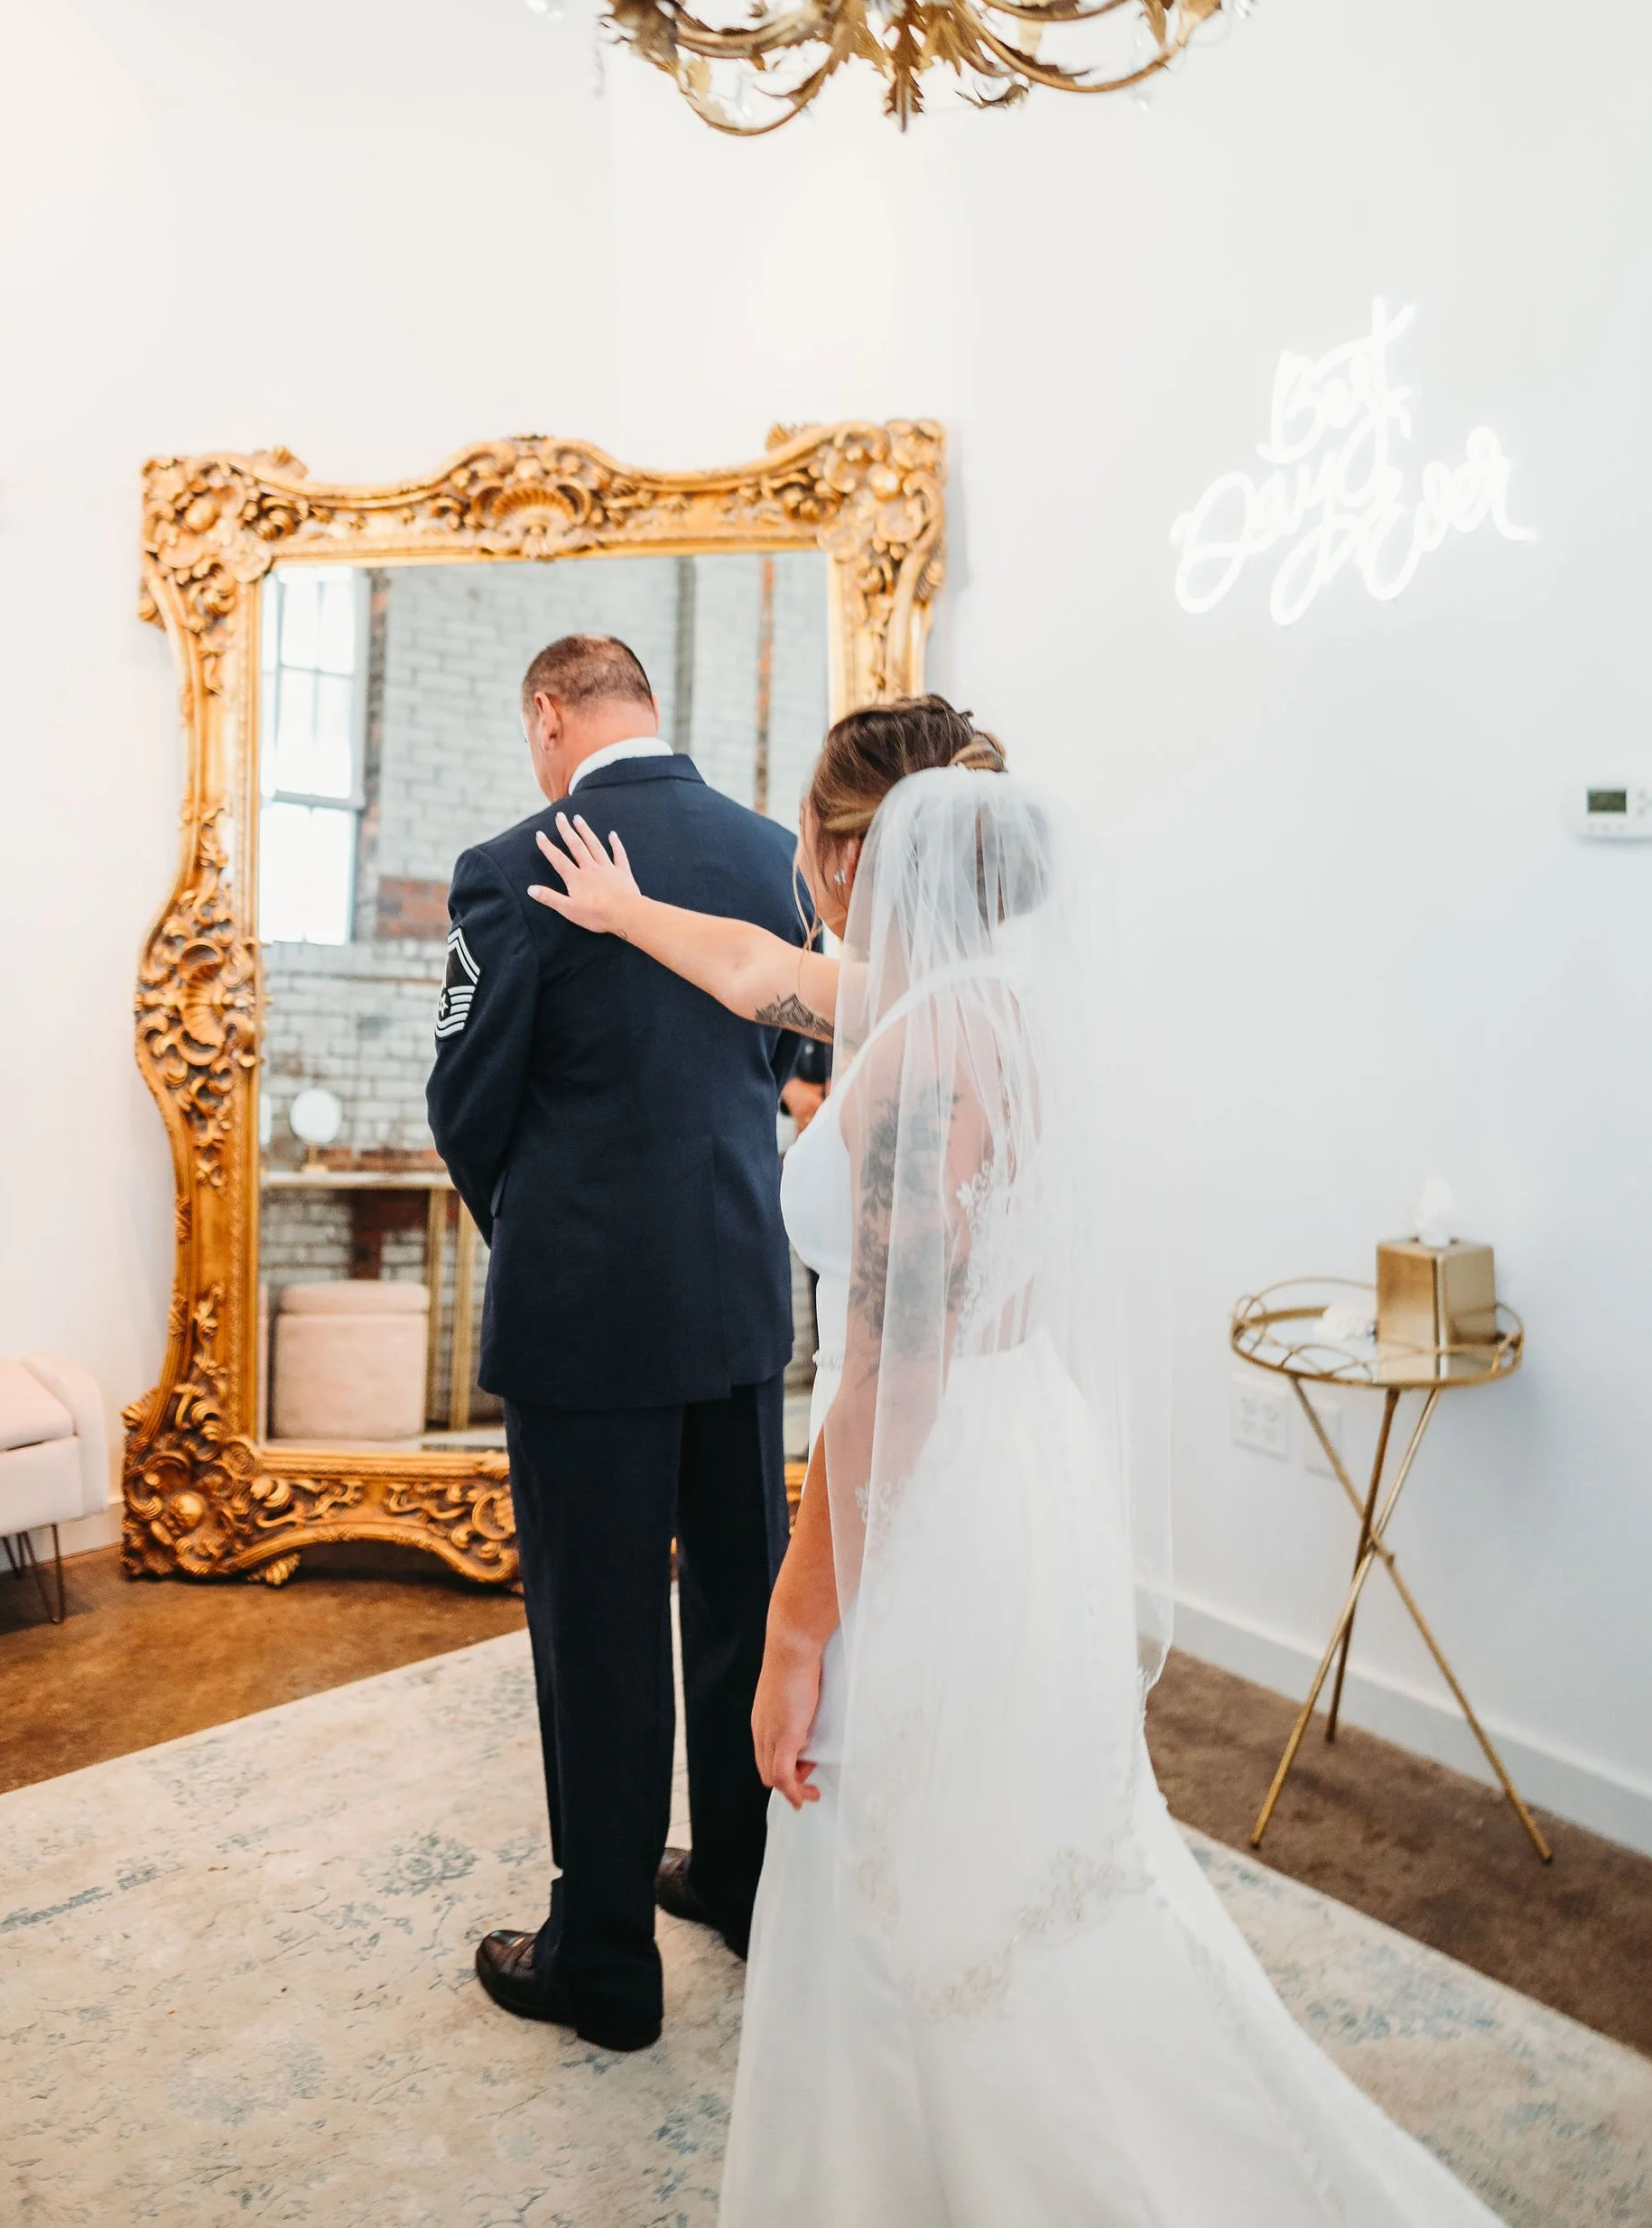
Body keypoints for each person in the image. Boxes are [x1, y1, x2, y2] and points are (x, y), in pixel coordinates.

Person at [528, 692, 1504, 2226]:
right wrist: (626, 909)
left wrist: (791, 1633)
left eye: (804, 825)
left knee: (888, 1854)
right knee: (1013, 1848)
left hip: (928, 1485)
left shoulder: (921, 1059)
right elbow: (759, 969)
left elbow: (892, 1376)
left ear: (848, 853)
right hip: (1018, 1451)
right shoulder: (971, 1006)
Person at [425, 632, 810, 2056]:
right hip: (736, 1286)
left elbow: (467, 1094)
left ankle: (601, 1959)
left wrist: (536, 1222)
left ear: (548, 716)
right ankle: (740, 1876)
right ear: (650, 709)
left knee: (596, 1630)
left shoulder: (510, 863)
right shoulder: (770, 850)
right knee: (737, 1597)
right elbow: (777, 1052)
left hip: (586, 1306)